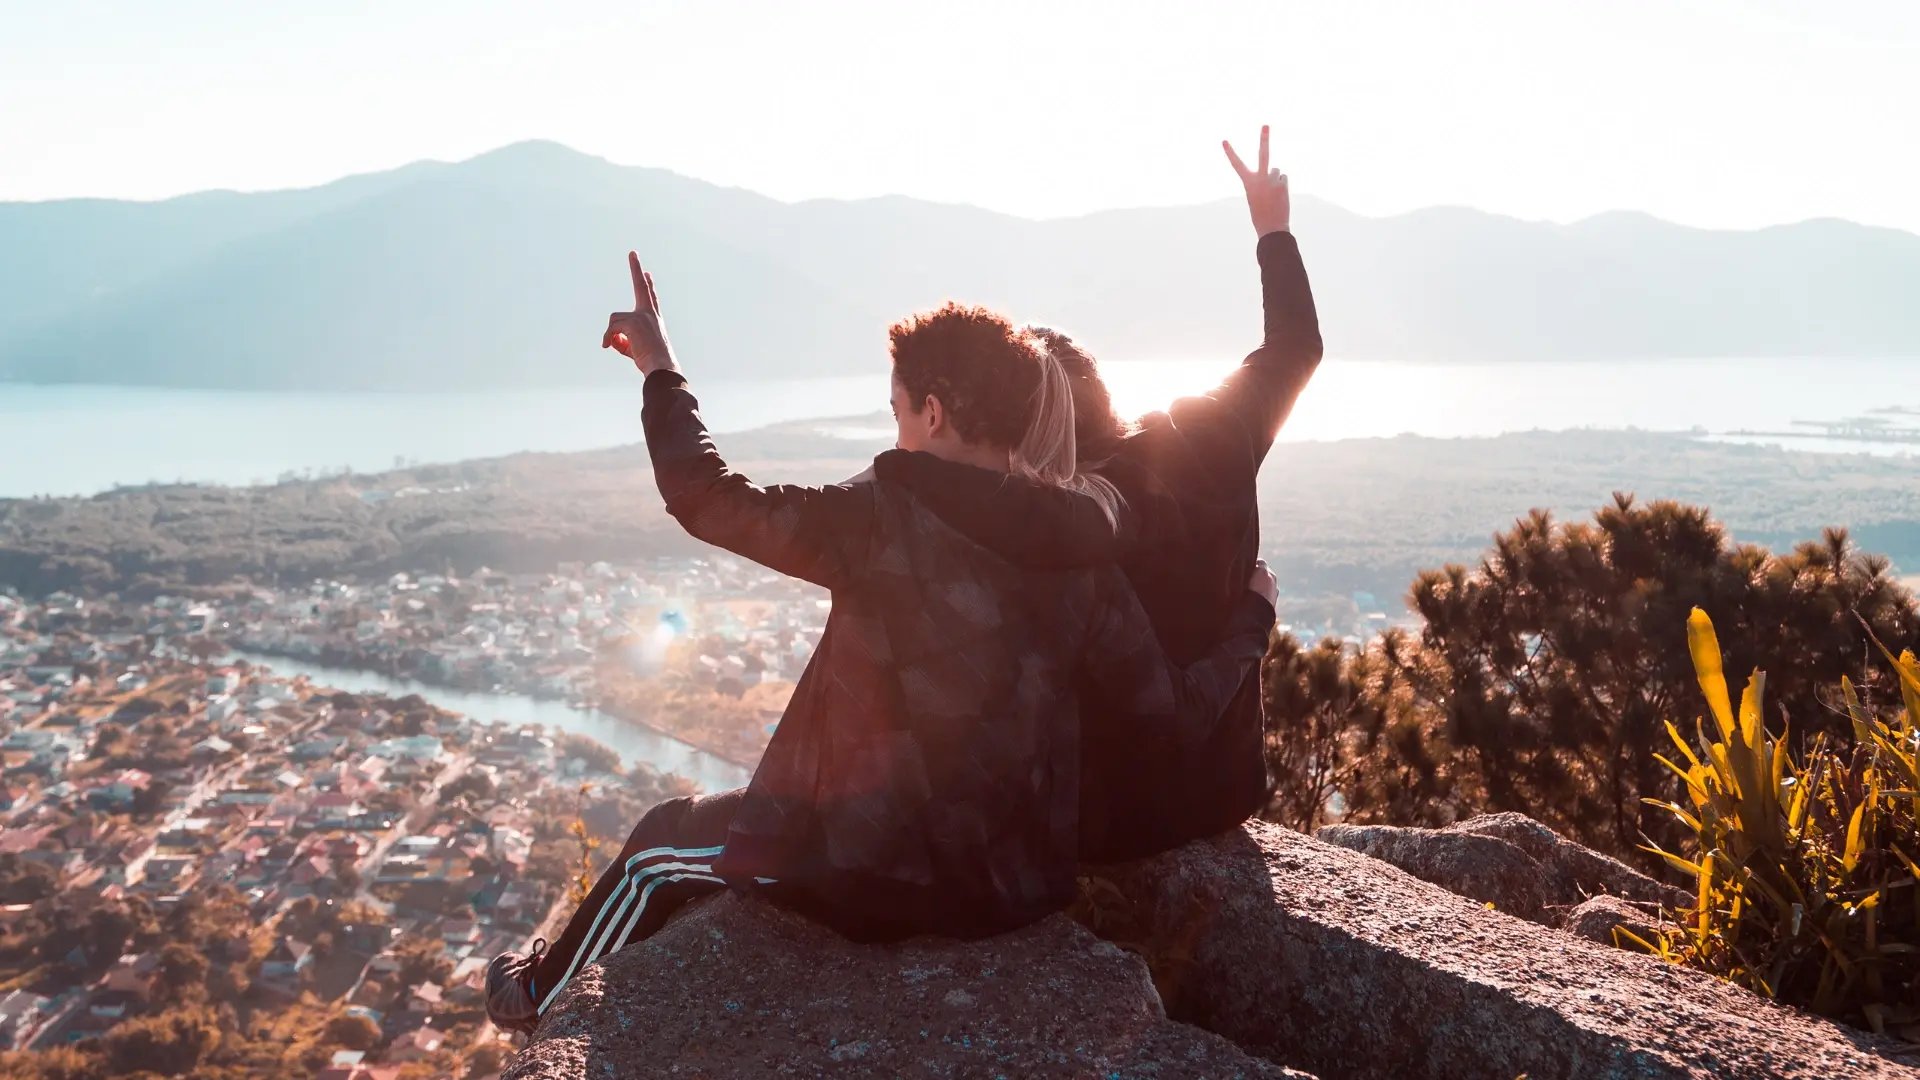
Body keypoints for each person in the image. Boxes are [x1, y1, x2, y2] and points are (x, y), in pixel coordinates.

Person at [484, 257, 1279, 1034]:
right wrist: (1252, 620)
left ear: (933, 412)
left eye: (896, 408)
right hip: (1014, 886)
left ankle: (535, 998)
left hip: (868, 872)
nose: (893, 429)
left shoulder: (879, 522)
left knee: (661, 842)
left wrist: (661, 368)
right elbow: (1173, 715)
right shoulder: (1085, 553)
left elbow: (705, 496)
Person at [1045, 126, 1324, 863]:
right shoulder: (1207, 433)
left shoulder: (1058, 524)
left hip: (1107, 819)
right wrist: (1272, 230)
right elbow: (1297, 347)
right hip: (1226, 790)